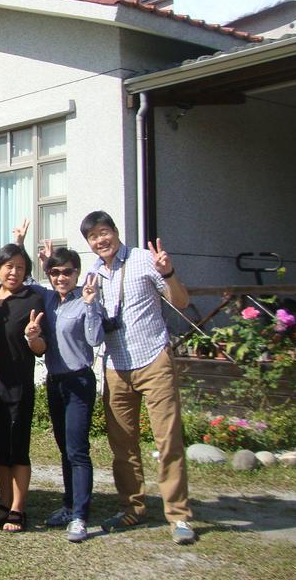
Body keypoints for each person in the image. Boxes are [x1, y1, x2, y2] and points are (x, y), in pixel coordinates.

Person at [79, 210, 196, 545]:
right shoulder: (94, 274)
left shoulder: (145, 260)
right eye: (93, 237)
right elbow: (95, 326)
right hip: (115, 366)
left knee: (168, 440)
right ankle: (133, 506)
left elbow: (181, 301)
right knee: (122, 444)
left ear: (116, 232)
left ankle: (179, 515)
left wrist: (169, 273)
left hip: (153, 360)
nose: (101, 240)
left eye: (104, 232)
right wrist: (89, 304)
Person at [15, 226, 105, 542]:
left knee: (78, 450)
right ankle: (68, 506)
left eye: (67, 272)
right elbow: (24, 282)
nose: (61, 277)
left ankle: (80, 515)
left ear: (77, 273)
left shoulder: (86, 299)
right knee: (64, 448)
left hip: (79, 381)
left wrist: (92, 305)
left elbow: (95, 338)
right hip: (55, 382)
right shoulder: (49, 300)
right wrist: (20, 244)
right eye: (55, 272)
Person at [0, 244, 47, 533]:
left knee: (17, 447)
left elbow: (41, 349)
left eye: (20, 267)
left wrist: (33, 337)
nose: (14, 272)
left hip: (18, 383)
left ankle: (18, 508)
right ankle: (5, 501)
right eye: (9, 266)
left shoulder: (32, 299)